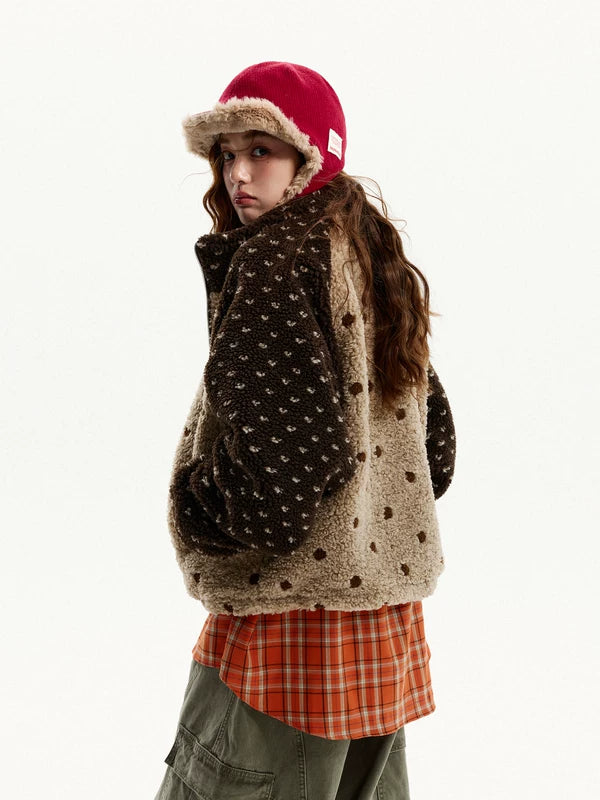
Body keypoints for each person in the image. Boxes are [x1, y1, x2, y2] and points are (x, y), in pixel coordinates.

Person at [154, 61, 456, 800]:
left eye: (262, 150)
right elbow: (435, 446)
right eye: (227, 154)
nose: (238, 174)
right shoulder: (371, 252)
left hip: (287, 619)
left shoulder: (275, 260)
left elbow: (279, 488)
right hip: (379, 625)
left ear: (311, 156)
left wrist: (196, 505)